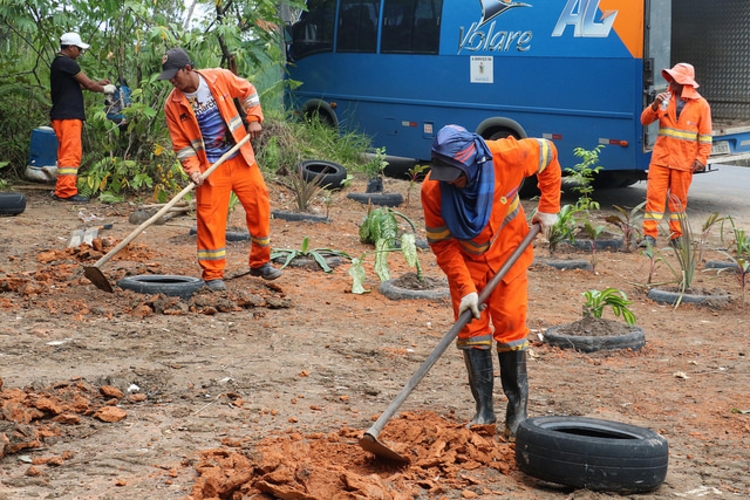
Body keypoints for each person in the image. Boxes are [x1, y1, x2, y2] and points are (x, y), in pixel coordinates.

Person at [421, 124, 561, 438]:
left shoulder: (507, 156)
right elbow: (442, 245)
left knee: (511, 325)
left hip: (508, 251)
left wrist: (549, 207)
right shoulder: (433, 190)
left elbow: (549, 154)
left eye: (455, 175)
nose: (450, 183)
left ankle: (517, 412)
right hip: (467, 263)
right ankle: (484, 410)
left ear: (471, 164)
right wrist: (466, 288)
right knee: (472, 330)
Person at [158, 48, 281, 290]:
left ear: (188, 69)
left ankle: (260, 262)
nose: (173, 81)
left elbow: (249, 91)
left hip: (240, 158)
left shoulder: (219, 77)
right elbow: (182, 145)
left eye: (176, 75)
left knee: (259, 206)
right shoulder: (172, 104)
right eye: (169, 77)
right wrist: (192, 169)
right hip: (210, 168)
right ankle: (212, 274)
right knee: (210, 219)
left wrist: (254, 118)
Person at [640, 62, 712, 249]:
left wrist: (701, 159)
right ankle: (649, 236)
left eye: (675, 79)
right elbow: (644, 120)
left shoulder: (701, 105)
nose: (670, 82)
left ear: (685, 82)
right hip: (661, 160)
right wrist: (654, 106)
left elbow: (705, 136)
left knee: (678, 202)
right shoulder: (664, 100)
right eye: (671, 78)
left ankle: (676, 236)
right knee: (654, 198)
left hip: (684, 162)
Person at [50, 32, 116, 202]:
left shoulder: (59, 63)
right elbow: (87, 83)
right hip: (68, 115)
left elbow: (79, 84)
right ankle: (66, 191)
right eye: (79, 49)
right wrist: (104, 89)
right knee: (71, 154)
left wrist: (97, 84)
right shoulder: (67, 62)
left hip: (62, 114)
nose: (80, 53)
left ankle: (61, 188)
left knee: (65, 152)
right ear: (71, 48)